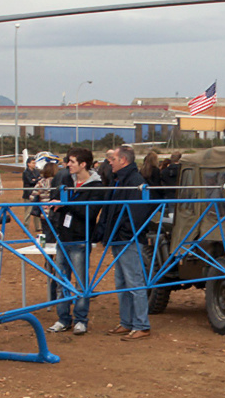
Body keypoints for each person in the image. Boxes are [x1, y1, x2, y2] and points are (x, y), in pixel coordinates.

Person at [47, 148, 104, 336]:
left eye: (71, 161)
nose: (68, 164)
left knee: (80, 282)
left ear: (83, 164)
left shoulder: (96, 187)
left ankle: (81, 320)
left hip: (81, 239)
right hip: (63, 238)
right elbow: (60, 206)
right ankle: (63, 319)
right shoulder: (65, 181)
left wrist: (66, 204)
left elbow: (90, 213)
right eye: (68, 161)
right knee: (62, 280)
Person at [104, 145, 151, 340]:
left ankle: (141, 324)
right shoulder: (121, 180)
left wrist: (123, 234)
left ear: (123, 160)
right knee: (122, 282)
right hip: (119, 238)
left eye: (113, 159)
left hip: (128, 240)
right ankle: (127, 322)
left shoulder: (135, 181)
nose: (110, 163)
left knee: (134, 282)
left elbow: (136, 214)